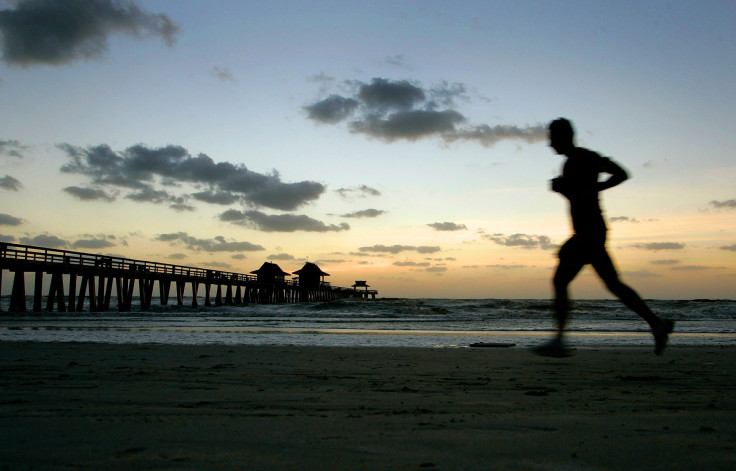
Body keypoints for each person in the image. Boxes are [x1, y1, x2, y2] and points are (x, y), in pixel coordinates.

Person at [533, 118, 674, 357]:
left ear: (564, 137)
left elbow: (609, 180)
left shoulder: (581, 158)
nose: (549, 144)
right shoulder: (578, 160)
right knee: (613, 284)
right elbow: (599, 184)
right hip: (592, 231)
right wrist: (573, 189)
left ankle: (559, 339)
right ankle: (656, 324)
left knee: (561, 281)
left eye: (552, 138)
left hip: (589, 232)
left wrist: (582, 189)